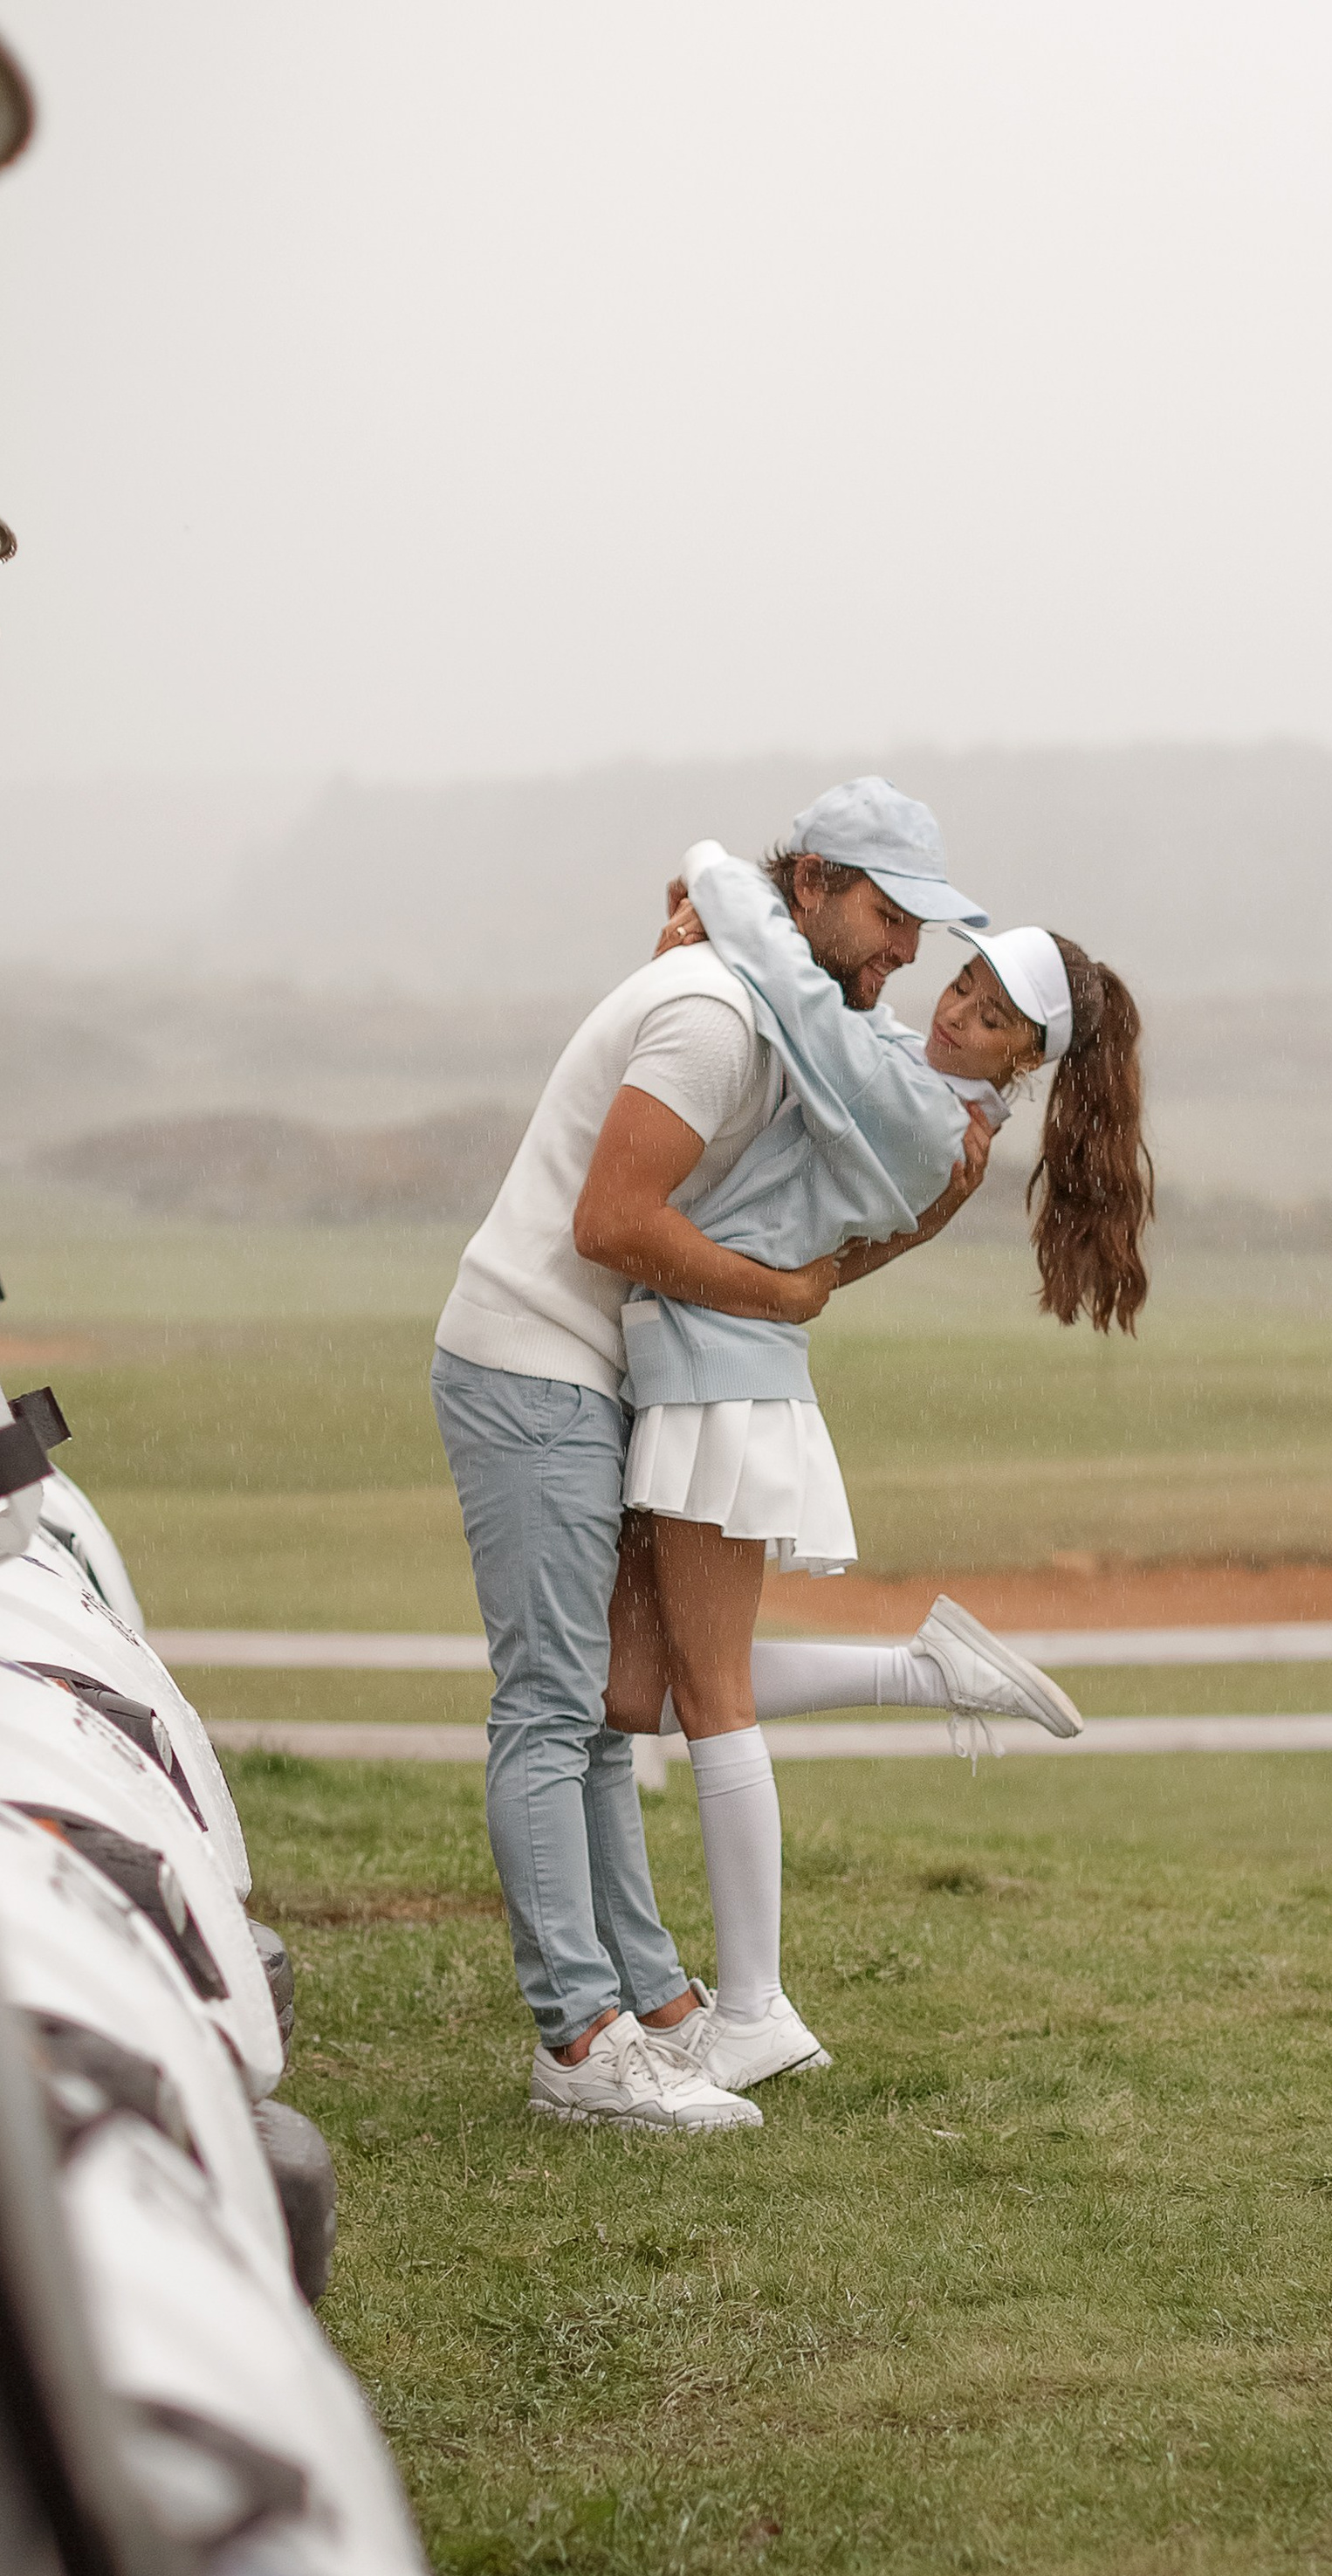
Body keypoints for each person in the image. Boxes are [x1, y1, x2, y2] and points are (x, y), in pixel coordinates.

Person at [431, 778, 993, 2129]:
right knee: (554, 1709)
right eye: (885, 912)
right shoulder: (709, 1016)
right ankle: (577, 2044)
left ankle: (658, 2006)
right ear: (806, 889)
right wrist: (782, 1298)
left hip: (592, 1375)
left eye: (920, 924)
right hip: (532, 1363)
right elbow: (612, 1223)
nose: (907, 951)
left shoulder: (763, 1010)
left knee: (612, 1716)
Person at [591, 844, 1151, 2088]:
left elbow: (804, 1011)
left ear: (1025, 1059)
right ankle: (922, 1671)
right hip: (706, 1359)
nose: (953, 1010)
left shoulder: (925, 1111)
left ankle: (754, 2010)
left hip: (723, 1381)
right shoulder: (920, 1083)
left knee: (711, 1697)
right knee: (641, 1693)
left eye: (991, 1016)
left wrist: (714, 871)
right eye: (960, 986)